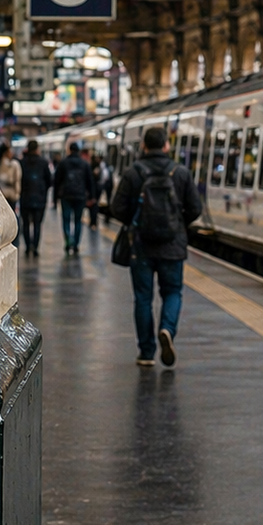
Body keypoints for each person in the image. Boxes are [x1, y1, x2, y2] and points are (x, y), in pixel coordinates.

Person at [110, 125, 203, 368]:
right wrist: (177, 223)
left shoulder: (133, 173)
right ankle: (167, 329)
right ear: (166, 146)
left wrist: (136, 221)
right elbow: (195, 208)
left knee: (143, 298)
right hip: (173, 245)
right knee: (172, 292)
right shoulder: (180, 173)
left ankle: (146, 352)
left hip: (140, 246)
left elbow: (117, 208)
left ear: (143, 146)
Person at [53, 141, 95, 255]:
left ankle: (68, 241)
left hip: (66, 196)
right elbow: (90, 181)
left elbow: (57, 181)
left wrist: (54, 198)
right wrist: (92, 197)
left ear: (69, 150)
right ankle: (76, 244)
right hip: (80, 196)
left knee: (66, 220)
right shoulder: (85, 164)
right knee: (78, 221)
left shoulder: (63, 163)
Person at [20, 139, 51, 257]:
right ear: (37, 149)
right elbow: (48, 181)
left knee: (26, 223)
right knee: (37, 224)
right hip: (40, 199)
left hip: (25, 198)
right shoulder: (43, 162)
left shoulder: (22, 162)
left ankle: (28, 247)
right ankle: (36, 247)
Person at [0, 144, 22, 245]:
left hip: (1, 197)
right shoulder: (13, 165)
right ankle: (13, 242)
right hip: (10, 197)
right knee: (13, 220)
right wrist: (17, 194)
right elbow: (16, 181)